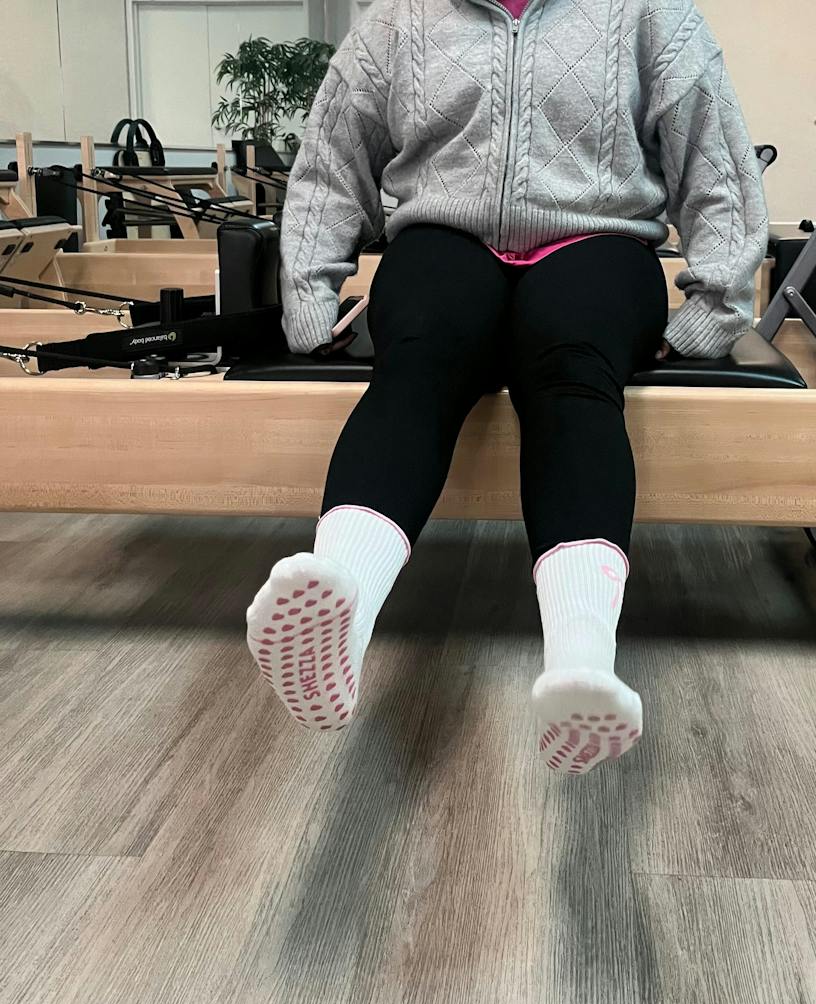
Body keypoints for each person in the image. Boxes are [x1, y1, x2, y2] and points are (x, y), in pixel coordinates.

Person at [247, 0, 768, 774]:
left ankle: (581, 665)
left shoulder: (650, 13)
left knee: (573, 364)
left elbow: (714, 160)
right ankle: (339, 618)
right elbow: (332, 158)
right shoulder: (399, 18)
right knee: (419, 356)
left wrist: (717, 307)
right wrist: (309, 298)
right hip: (445, 240)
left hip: (598, 240)